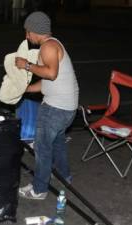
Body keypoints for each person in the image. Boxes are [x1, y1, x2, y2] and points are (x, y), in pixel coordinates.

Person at [15, 11, 79, 200]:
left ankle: (39, 189)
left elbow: (50, 74)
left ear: (36, 30)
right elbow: (48, 83)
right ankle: (64, 175)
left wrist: (26, 65)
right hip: (66, 107)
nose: (27, 36)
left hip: (56, 108)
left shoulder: (48, 47)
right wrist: (25, 89)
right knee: (57, 143)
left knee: (42, 148)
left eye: (28, 32)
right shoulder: (52, 45)